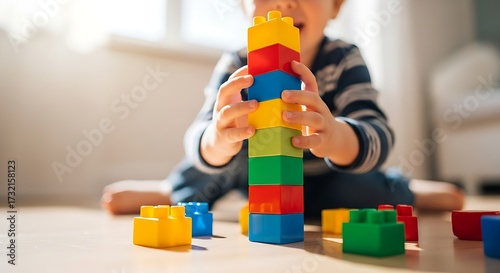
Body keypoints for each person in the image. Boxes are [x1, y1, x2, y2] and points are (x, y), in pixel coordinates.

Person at [101, 0, 464, 216]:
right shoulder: (235, 64)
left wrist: (337, 135)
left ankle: (405, 191)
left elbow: (378, 132)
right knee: (212, 165)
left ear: (336, 6)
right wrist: (218, 139)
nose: (286, 1)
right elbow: (198, 134)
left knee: (361, 190)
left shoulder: (343, 58)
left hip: (326, 178)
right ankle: (174, 191)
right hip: (255, 177)